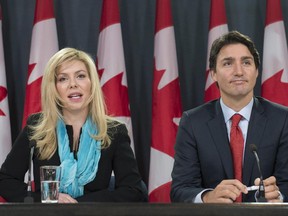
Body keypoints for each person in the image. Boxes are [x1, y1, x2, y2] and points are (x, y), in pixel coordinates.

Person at [0, 47, 147, 203]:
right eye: (63, 79)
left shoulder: (113, 131)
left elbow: (133, 190)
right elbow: (5, 181)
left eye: (81, 76)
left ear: (92, 84)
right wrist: (48, 199)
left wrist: (81, 205)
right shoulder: (37, 127)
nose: (73, 84)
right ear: (54, 88)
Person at [170, 31, 288, 203]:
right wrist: (208, 197)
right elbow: (180, 190)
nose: (239, 71)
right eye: (228, 63)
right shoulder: (193, 122)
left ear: (256, 71)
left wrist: (278, 196)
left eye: (246, 62)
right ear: (213, 74)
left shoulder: (282, 119)